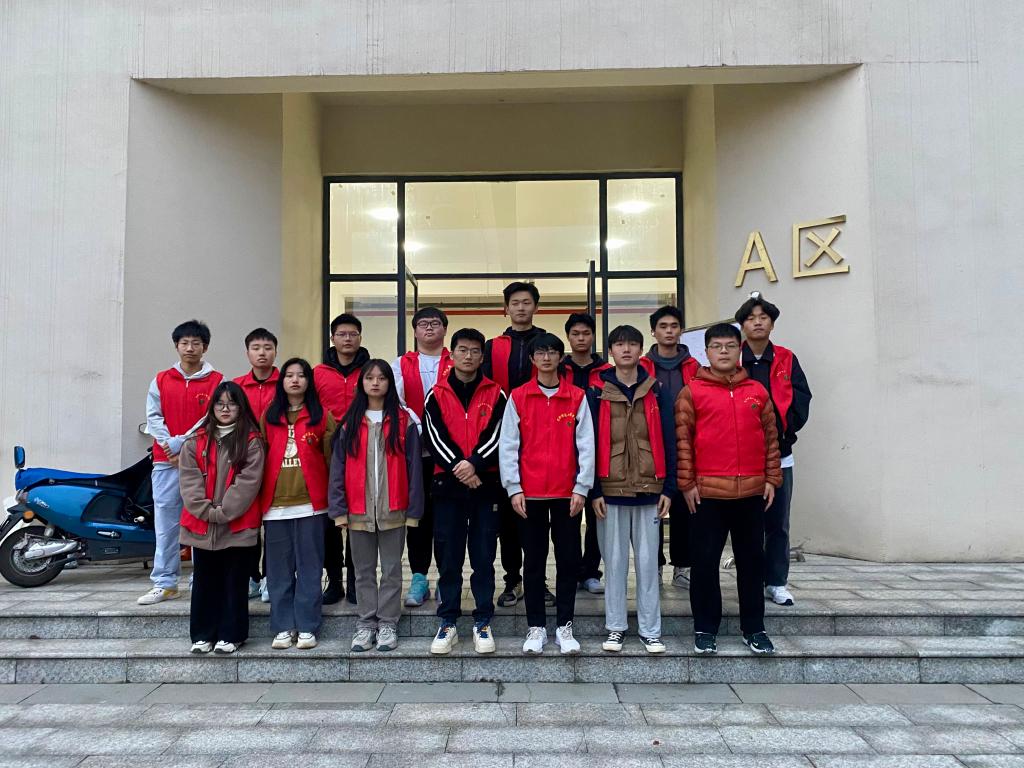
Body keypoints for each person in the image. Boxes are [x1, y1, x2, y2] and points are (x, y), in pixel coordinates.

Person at [675, 323, 782, 656]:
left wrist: (771, 478)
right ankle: (705, 629)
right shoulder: (692, 392)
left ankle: (755, 628)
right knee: (704, 564)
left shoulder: (757, 391)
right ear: (706, 352)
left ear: (740, 350)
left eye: (730, 346)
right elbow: (683, 441)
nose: (724, 351)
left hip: (751, 492)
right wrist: (687, 483)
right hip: (707, 494)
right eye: (717, 346)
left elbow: (771, 438)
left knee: (751, 563)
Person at [499, 333, 595, 655]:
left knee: (568, 561)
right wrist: (514, 487)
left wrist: (582, 486)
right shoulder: (519, 396)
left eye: (553, 352)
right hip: (530, 495)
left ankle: (565, 627)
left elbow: (586, 445)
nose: (546, 358)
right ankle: (536, 627)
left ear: (560, 357)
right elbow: (508, 445)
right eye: (540, 352)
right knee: (534, 562)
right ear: (532, 359)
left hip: (568, 495)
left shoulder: (576, 397)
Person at [588, 325, 675, 654]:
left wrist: (669, 487)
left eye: (632, 344)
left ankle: (651, 631)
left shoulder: (657, 391)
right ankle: (615, 628)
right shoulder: (596, 392)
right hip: (609, 492)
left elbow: (670, 439)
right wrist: (594, 491)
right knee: (614, 563)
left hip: (650, 490)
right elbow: (588, 444)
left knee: (649, 565)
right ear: (610, 351)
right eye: (619, 344)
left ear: (641, 349)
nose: (626, 349)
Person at [328, 361, 424, 653]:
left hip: (394, 509)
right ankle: (366, 623)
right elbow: (337, 468)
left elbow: (415, 469)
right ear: (362, 383)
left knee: (392, 570)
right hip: (357, 510)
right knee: (363, 571)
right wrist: (338, 509)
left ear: (390, 383)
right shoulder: (350, 423)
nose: (375, 383)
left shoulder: (404, 421)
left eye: (382, 378)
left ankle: (388, 623)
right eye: (369, 377)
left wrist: (414, 510)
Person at [422, 328, 506, 655]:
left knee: (484, 557)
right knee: (449, 557)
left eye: (474, 351)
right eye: (462, 350)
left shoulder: (497, 394)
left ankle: (483, 620)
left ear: (482, 356)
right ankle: (448, 621)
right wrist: (461, 467)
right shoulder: (436, 394)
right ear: (452, 354)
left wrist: (474, 464)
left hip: (486, 487)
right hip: (448, 488)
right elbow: (434, 437)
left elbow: (498, 435)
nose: (468, 356)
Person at [138, 320, 223, 606]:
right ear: (176, 346)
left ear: (205, 347)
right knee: (166, 523)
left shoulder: (218, 381)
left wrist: (182, 444)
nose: (190, 348)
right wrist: (168, 444)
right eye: (184, 343)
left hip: (203, 463)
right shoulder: (161, 379)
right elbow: (153, 416)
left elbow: (213, 419)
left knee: (201, 522)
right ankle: (165, 582)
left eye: (196, 343)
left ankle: (202, 580)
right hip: (166, 462)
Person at [735, 292, 812, 607]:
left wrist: (785, 430)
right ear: (742, 325)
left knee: (778, 521)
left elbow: (802, 398)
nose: (757, 322)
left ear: (772, 324)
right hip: (740, 457)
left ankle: (777, 581)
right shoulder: (732, 358)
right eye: (751, 318)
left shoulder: (786, 358)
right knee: (746, 523)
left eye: (763, 318)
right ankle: (751, 580)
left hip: (780, 455)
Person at [178, 381, 265, 654]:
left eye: (232, 404)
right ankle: (202, 634)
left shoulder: (251, 441)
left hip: (237, 523)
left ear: (241, 407)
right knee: (205, 580)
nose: (225, 409)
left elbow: (248, 482)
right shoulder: (195, 441)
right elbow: (189, 481)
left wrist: (224, 511)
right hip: (202, 524)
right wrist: (206, 511)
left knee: (234, 581)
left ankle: (232, 634)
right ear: (212, 407)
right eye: (220, 403)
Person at [483, 282, 552, 609]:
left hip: (543, 439)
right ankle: (513, 579)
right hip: (503, 440)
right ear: (506, 308)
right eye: (515, 303)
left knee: (539, 517)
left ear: (536, 307)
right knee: (509, 517)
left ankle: (539, 580)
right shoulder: (492, 347)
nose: (521, 308)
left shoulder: (548, 344)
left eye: (526, 302)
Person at [260, 358, 337, 651]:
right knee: (278, 570)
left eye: (301, 375)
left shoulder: (321, 416)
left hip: (312, 505)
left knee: (310, 568)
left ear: (309, 382)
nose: (295, 380)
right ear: (281, 382)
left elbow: (332, 461)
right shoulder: (269, 417)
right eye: (289, 375)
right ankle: (283, 626)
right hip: (275, 506)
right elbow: (260, 456)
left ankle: (307, 625)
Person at [392, 307, 451, 608]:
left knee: (446, 518)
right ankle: (418, 577)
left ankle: (446, 577)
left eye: (435, 323)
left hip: (449, 456)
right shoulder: (401, 364)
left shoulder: (456, 361)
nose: (429, 328)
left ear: (444, 329)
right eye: (423, 324)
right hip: (415, 453)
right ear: (414, 330)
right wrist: (420, 426)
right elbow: (396, 402)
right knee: (417, 516)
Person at [640, 305, 699, 590]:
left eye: (674, 326)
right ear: (653, 331)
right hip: (650, 446)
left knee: (684, 510)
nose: (669, 331)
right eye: (663, 326)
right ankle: (654, 566)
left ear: (681, 330)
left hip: (686, 444)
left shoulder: (694, 366)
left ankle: (682, 567)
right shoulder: (641, 366)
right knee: (651, 510)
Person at [314, 313, 369, 605]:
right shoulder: (318, 373)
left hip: (363, 451)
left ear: (360, 337)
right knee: (331, 521)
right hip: (326, 454)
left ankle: (356, 582)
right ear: (333, 338)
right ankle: (333, 581)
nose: (348, 339)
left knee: (359, 519)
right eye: (342, 334)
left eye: (353, 334)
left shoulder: (370, 371)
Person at [563, 312, 611, 596]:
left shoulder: (607, 372)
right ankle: (571, 572)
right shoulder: (559, 369)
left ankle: (591, 571)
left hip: (600, 449)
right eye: (575, 333)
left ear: (593, 336)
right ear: (568, 337)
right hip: (565, 451)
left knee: (597, 514)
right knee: (568, 516)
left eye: (586, 333)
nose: (581, 338)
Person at [233, 327, 279, 604]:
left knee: (273, 524)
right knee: (248, 523)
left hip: (277, 462)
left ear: (275, 351)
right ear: (247, 352)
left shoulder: (285, 383)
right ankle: (251, 576)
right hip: (245, 463)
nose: (262, 353)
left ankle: (271, 577)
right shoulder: (237, 387)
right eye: (256, 348)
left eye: (267, 348)